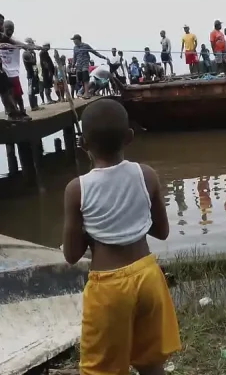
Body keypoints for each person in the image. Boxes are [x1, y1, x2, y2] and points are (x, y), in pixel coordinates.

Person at [62, 99, 179, 375]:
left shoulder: (76, 189)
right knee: (151, 363)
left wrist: (93, 233)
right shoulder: (146, 175)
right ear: (129, 137)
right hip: (148, 277)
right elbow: (161, 231)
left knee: (102, 369)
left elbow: (71, 254)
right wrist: (131, 216)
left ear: (83, 144)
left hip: (109, 288)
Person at [0, 20, 29, 115]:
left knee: (18, 93)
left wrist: (30, 47)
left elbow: (25, 46)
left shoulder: (14, 42)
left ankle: (22, 110)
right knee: (6, 94)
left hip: (13, 72)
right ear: (3, 28)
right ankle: (11, 111)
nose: (10, 31)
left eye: (12, 29)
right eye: (8, 29)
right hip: (2, 71)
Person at [71, 34, 107, 99]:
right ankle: (84, 92)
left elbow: (94, 52)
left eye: (74, 40)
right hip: (78, 65)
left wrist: (101, 56)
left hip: (85, 64)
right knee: (80, 79)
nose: (73, 41)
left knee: (85, 78)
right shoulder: (75, 48)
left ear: (78, 40)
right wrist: (73, 66)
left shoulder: (85, 46)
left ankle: (86, 93)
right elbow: (74, 57)